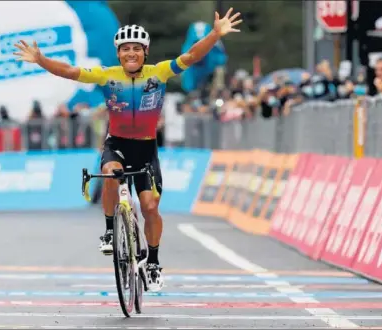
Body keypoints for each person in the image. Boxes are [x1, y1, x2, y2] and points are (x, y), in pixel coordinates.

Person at [13, 8, 243, 292]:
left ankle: (154, 262)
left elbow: (192, 56)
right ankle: (110, 231)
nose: (130, 53)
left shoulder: (158, 73)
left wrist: (215, 34)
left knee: (150, 207)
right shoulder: (107, 76)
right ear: (118, 54)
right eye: (125, 49)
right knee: (111, 174)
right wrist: (40, 60)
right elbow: (70, 72)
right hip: (117, 145)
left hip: (146, 149)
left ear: (145, 53)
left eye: (136, 48)